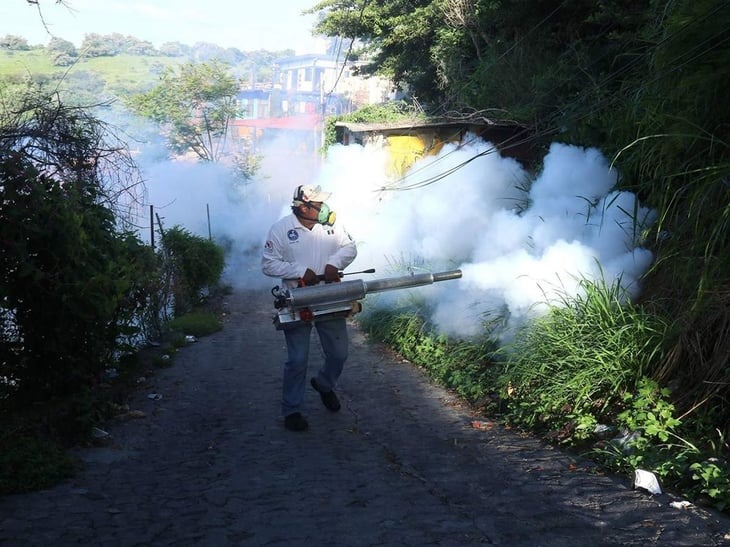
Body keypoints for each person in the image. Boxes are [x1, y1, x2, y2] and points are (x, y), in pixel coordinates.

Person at [261, 184, 357, 432]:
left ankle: (324, 384)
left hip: (329, 296)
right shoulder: (281, 229)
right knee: (297, 359)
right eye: (319, 204)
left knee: (339, 354)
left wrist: (334, 264)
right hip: (296, 297)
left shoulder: (332, 226)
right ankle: (291, 410)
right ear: (304, 207)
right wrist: (300, 272)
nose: (325, 208)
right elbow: (268, 264)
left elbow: (350, 247)